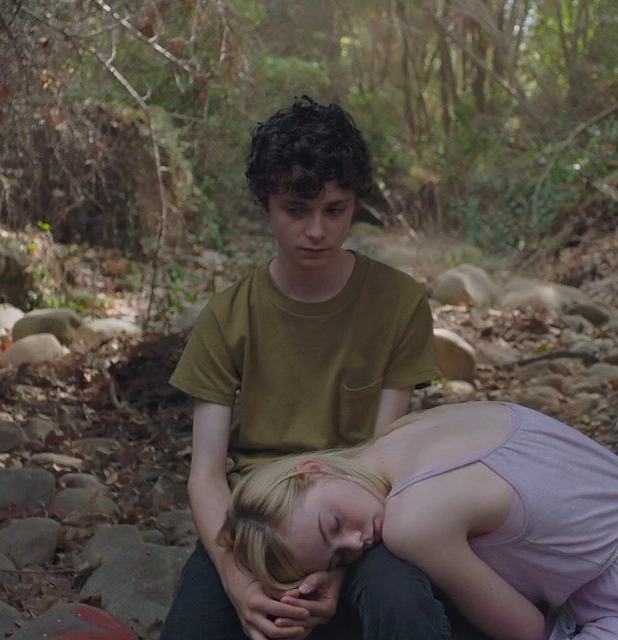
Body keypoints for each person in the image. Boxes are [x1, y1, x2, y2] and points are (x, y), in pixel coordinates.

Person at [160, 96, 448, 640]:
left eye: (335, 210)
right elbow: (207, 474)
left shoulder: (399, 303)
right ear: (265, 205)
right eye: (296, 209)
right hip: (257, 520)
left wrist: (335, 567)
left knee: (401, 608)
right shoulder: (227, 316)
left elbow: (382, 461)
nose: (317, 230)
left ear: (356, 205)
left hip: (362, 515)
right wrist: (238, 582)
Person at [223, 401, 618, 640]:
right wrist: (334, 574)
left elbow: (529, 632)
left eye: (334, 523)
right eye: (340, 556)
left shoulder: (413, 520)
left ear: (312, 469)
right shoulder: (418, 430)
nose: (359, 540)